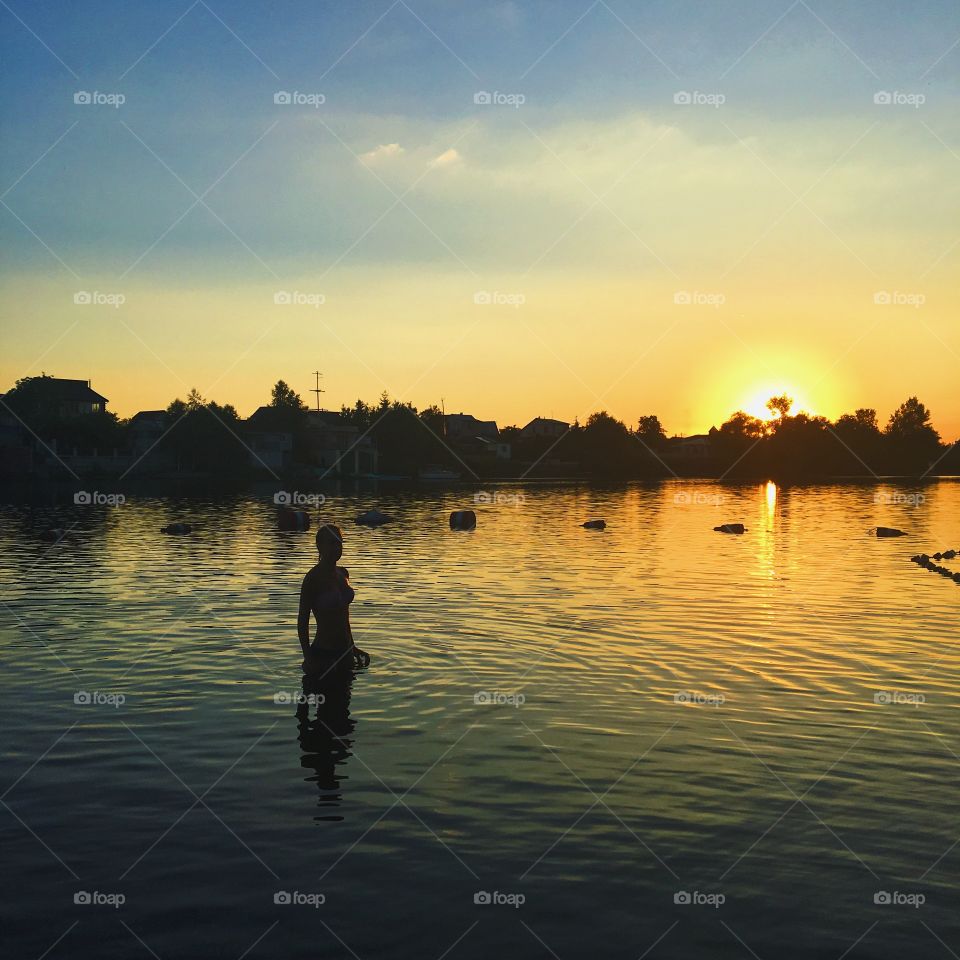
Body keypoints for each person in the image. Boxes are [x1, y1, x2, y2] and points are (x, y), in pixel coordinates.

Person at [298, 523, 369, 678]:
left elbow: (345, 615)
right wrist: (308, 658)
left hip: (346, 653)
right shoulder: (312, 579)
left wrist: (353, 647)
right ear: (319, 546)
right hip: (324, 654)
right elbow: (302, 622)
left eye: (339, 543)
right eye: (331, 543)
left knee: (345, 693)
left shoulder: (343, 573)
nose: (336, 547)